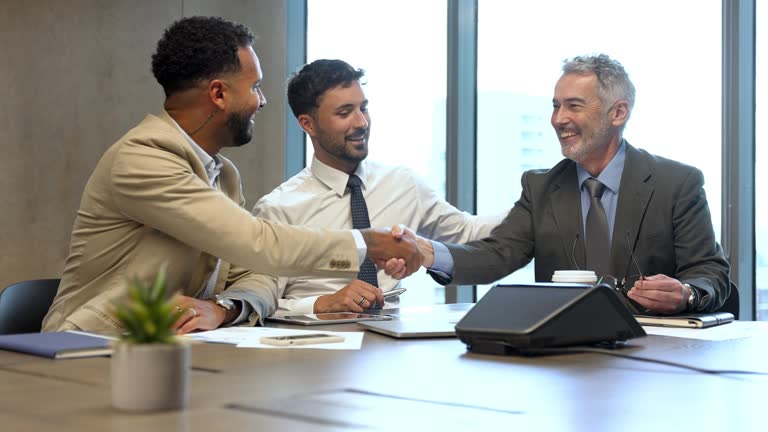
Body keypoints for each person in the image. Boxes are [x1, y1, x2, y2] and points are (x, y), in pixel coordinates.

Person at [41, 17, 420, 334]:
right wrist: (366, 244)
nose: (263, 100)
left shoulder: (224, 176)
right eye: (255, 87)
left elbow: (256, 272)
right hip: (86, 353)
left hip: (170, 354)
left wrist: (223, 309)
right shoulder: (142, 159)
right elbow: (258, 244)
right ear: (219, 94)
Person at [422, 54, 729, 314]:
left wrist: (686, 293)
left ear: (618, 112)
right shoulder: (540, 187)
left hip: (659, 353)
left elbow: (709, 273)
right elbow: (497, 254)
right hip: (566, 356)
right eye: (556, 106)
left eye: (574, 106)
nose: (558, 119)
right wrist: (428, 253)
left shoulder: (677, 183)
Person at [251, 59, 503, 314]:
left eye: (364, 108)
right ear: (308, 124)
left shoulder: (402, 184)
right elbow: (258, 300)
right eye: (344, 112)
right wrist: (320, 304)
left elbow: (468, 232)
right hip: (316, 345)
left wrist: (535, 206)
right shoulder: (278, 209)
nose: (361, 122)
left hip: (393, 342)